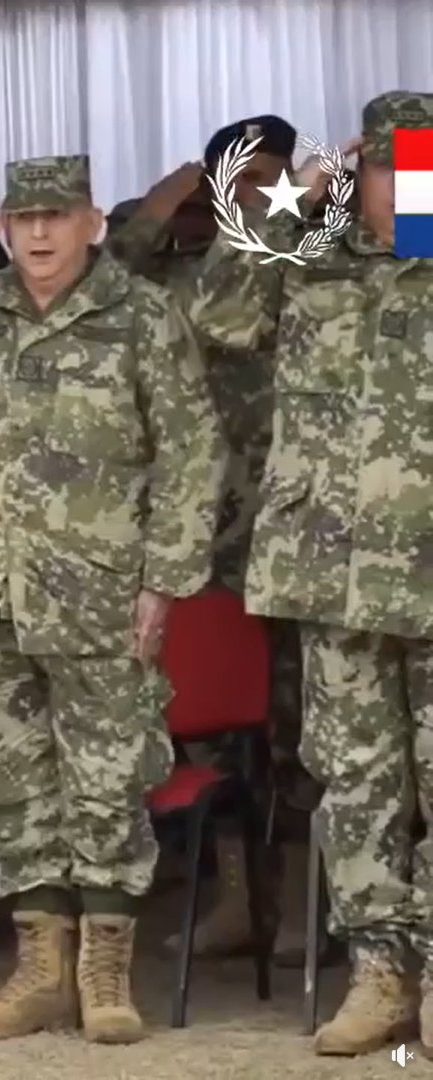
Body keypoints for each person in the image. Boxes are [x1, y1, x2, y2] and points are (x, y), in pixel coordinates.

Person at [0, 155, 222, 1045]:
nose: (42, 234)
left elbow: (191, 452)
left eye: (59, 216)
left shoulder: (139, 317)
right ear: (3, 229)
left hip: (101, 595)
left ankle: (104, 973)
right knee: (10, 786)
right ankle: (40, 970)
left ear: (94, 222)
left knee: (106, 785)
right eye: (24, 219)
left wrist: (165, 581)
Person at [184, 90, 433, 1058]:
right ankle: (381, 976)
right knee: (358, 785)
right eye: (388, 166)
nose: (409, 184)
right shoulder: (309, 263)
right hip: (335, 577)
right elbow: (214, 310)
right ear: (357, 172)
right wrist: (295, 193)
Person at [111, 117, 314, 966]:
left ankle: (315, 911)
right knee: (213, 729)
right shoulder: (180, 280)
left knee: (312, 732)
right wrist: (168, 199)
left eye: (277, 178)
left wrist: (336, 181)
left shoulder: (323, 261)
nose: (263, 195)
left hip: (306, 540)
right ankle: (240, 903)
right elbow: (102, 280)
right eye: (243, 178)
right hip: (211, 545)